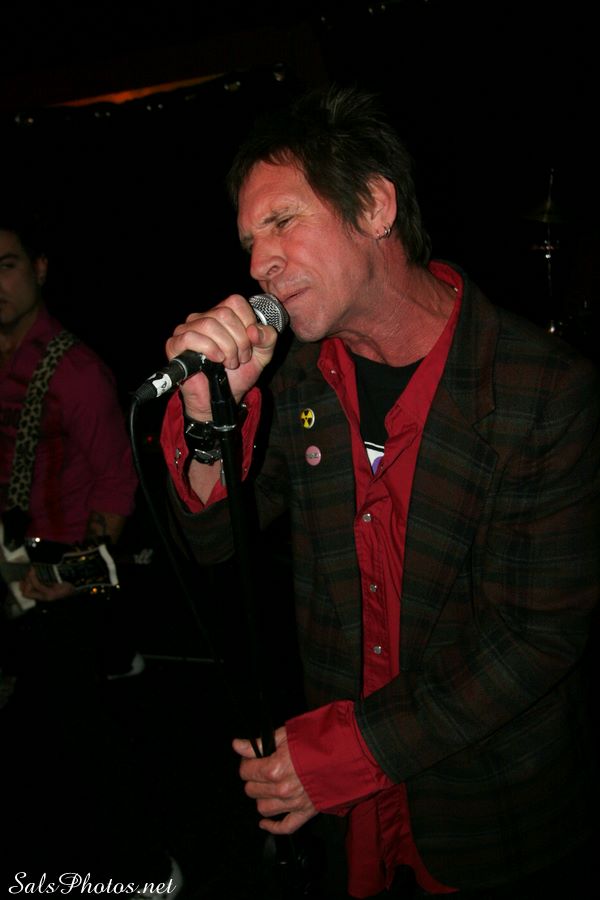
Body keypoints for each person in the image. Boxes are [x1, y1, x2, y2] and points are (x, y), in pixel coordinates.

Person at [157, 85, 600, 899]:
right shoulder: (294, 380)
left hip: (490, 810)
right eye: (249, 241)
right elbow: (214, 543)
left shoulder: (542, 389)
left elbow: (538, 635)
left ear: (374, 206)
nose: (258, 264)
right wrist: (210, 416)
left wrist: (340, 755)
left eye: (283, 221)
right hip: (351, 820)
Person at [0, 210, 182, 897]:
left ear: (39, 269)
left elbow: (115, 483)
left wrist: (77, 575)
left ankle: (142, 872)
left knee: (83, 738)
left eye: (7, 265)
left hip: (62, 568)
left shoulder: (76, 371)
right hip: (8, 561)